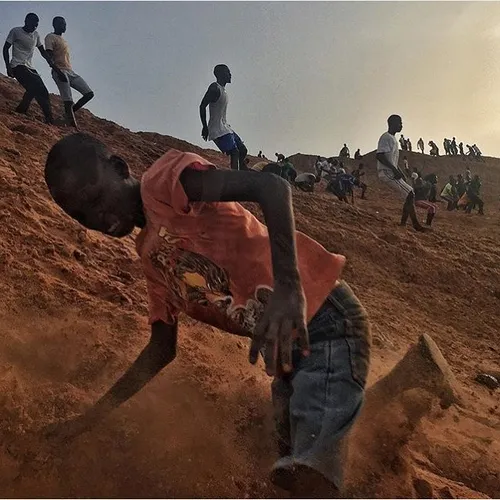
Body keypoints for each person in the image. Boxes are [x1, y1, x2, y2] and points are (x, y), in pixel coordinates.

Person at [43, 133, 371, 498]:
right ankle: (413, 380)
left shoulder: (164, 183)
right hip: (283, 358)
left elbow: (271, 186)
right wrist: (88, 419)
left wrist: (289, 286)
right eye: (79, 215)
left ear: (119, 168)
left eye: (94, 198)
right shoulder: (151, 262)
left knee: (309, 475)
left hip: (324, 319)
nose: (96, 218)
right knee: (288, 457)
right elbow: (160, 350)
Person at [2, 13, 65, 124]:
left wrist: (56, 69)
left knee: (43, 91)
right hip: (17, 65)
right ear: (26, 21)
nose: (34, 27)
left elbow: (43, 52)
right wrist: (8, 66)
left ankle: (44, 117)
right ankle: (26, 110)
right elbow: (5, 48)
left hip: (30, 67)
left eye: (36, 25)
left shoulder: (36, 35)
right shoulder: (15, 31)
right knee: (34, 86)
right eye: (32, 25)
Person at [376, 115, 426, 232]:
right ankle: (415, 224)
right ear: (392, 123)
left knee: (410, 193)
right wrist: (394, 170)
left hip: (391, 171)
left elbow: (391, 159)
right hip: (386, 172)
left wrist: (400, 171)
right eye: (399, 123)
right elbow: (380, 156)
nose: (401, 125)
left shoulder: (393, 139)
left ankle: (405, 223)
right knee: (410, 193)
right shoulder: (386, 137)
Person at [44, 16, 94, 129]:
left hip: (70, 71)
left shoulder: (64, 40)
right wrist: (58, 71)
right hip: (60, 70)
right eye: (62, 24)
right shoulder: (50, 37)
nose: (64, 26)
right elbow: (49, 57)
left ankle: (67, 115)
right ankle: (73, 126)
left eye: (65, 24)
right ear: (55, 24)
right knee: (68, 100)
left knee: (89, 94)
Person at [200, 64, 248, 170]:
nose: (230, 74)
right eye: (228, 72)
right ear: (220, 74)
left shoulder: (224, 91)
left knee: (243, 150)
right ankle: (235, 178)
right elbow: (202, 105)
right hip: (216, 129)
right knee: (234, 152)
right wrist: (204, 126)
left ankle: (241, 169)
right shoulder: (214, 88)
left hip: (226, 127)